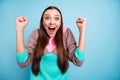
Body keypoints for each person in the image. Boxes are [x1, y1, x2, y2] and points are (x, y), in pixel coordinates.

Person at [16, 6, 87, 80]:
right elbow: (22, 62)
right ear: (42, 22)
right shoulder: (36, 34)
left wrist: (82, 30)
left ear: (60, 22)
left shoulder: (66, 33)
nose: (52, 22)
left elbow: (78, 61)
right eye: (47, 18)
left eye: (56, 18)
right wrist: (19, 29)